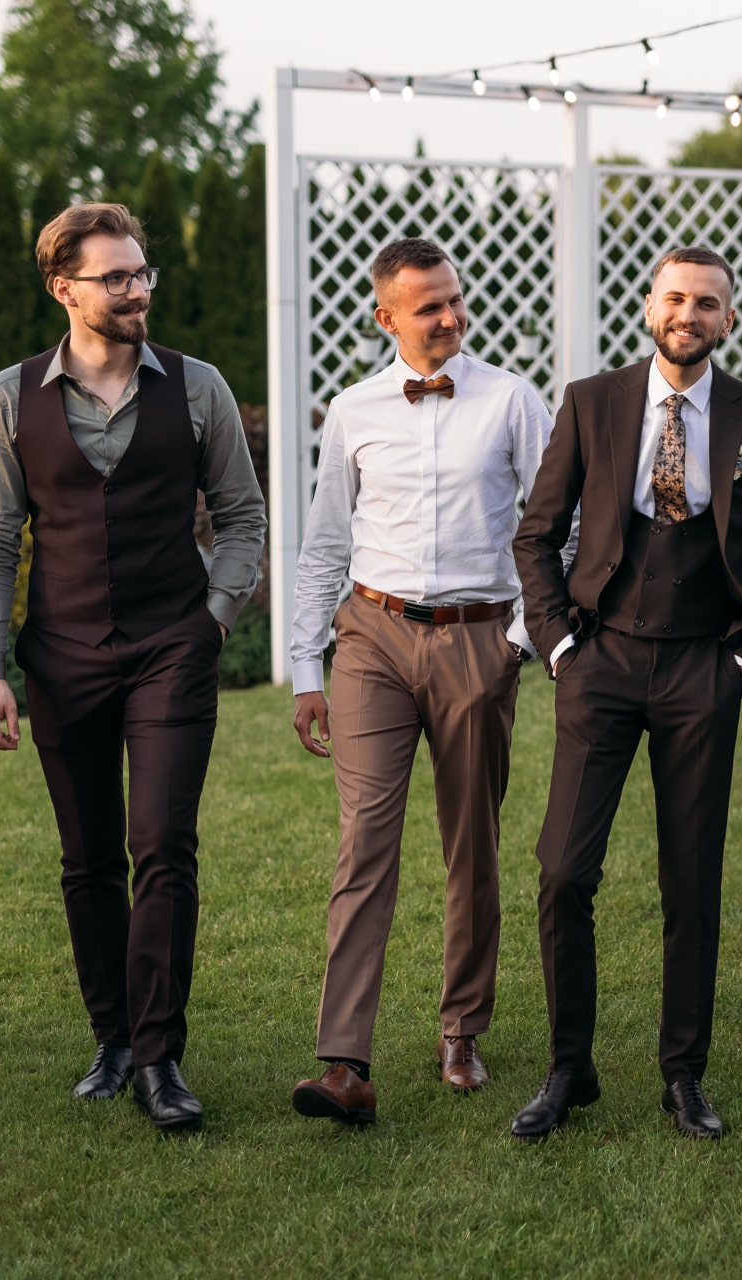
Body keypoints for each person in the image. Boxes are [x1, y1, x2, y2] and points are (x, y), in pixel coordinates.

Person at [0, 203, 267, 1131]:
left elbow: (243, 515)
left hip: (173, 645)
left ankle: (160, 1055)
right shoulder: (10, 397)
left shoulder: (199, 387)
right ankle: (113, 1038)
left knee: (164, 846)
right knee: (88, 856)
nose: (137, 291)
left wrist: (214, 620)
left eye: (142, 275)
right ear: (65, 289)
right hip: (62, 656)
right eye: (117, 278)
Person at [511, 246, 742, 1142]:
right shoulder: (592, 402)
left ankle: (683, 1074)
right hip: (600, 659)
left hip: (702, 667)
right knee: (565, 869)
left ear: (729, 318)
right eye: (676, 298)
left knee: (692, 878)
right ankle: (569, 1068)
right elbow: (537, 536)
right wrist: (560, 644)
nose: (690, 315)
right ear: (651, 307)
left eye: (707, 303)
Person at [287, 237, 559, 1123]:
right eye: (427, 305)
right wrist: (305, 667)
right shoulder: (353, 409)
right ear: (386, 317)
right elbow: (325, 541)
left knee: (470, 839)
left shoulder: (512, 401)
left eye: (453, 299)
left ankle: (462, 1030)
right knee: (364, 838)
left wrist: (518, 640)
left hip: (480, 637)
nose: (448, 316)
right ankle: (343, 1061)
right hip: (371, 637)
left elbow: (559, 525)